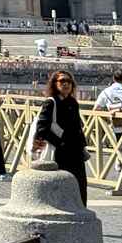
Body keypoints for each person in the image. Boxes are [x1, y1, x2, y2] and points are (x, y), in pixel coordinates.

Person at [33, 70, 89, 205]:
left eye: (69, 81)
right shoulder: (51, 103)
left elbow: (77, 126)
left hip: (75, 151)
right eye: (62, 81)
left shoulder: (73, 102)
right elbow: (42, 128)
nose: (66, 84)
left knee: (80, 185)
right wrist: (60, 143)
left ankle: (81, 212)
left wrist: (82, 146)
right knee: (61, 186)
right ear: (55, 84)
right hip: (60, 153)